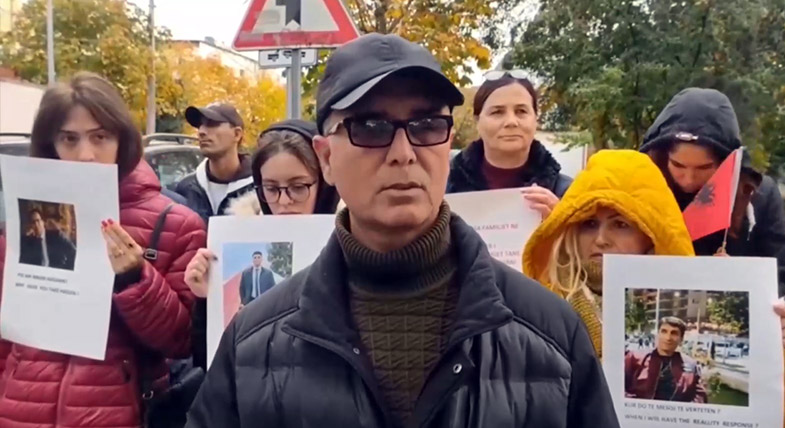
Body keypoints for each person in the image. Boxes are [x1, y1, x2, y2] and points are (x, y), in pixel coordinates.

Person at [186, 33, 618, 428]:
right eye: (370, 127)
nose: (403, 153)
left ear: (449, 143)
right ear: (326, 158)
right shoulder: (253, 343)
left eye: (427, 125)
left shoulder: (552, 334)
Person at [522, 150, 785, 424]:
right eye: (588, 224)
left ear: (651, 234)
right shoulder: (537, 309)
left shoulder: (693, 351)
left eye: (621, 224)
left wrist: (783, 360)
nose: (602, 239)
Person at [0, 72, 205, 427]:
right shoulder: (27, 213)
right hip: (21, 411)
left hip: (118, 413)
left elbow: (182, 341)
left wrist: (135, 279)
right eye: (69, 139)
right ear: (50, 144)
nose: (85, 155)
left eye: (100, 137)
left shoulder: (174, 224)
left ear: (122, 140)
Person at [184, 119, 339, 370]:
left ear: (322, 183)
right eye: (271, 188)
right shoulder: (239, 236)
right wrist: (206, 299)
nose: (284, 201)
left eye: (298, 187)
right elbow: (211, 362)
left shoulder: (354, 239)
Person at [640, 87, 785, 295]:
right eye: (678, 166)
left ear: (727, 162)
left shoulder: (760, 195)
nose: (688, 179)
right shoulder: (641, 192)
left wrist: (740, 278)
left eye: (704, 168)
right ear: (662, 158)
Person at [446, 70, 572, 218]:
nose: (511, 122)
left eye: (521, 111)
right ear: (477, 121)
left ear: (536, 119)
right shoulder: (443, 190)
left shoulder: (567, 194)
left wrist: (562, 225)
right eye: (497, 112)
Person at [175, 102, 254, 224]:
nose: (201, 131)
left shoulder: (260, 188)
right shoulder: (185, 189)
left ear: (237, 134)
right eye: (200, 125)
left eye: (212, 124)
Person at [624, 317, 706, 402]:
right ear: (657, 334)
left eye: (674, 333)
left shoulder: (691, 366)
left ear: (681, 339)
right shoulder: (635, 358)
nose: (668, 338)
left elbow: (700, 397)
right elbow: (617, 387)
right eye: (664, 331)